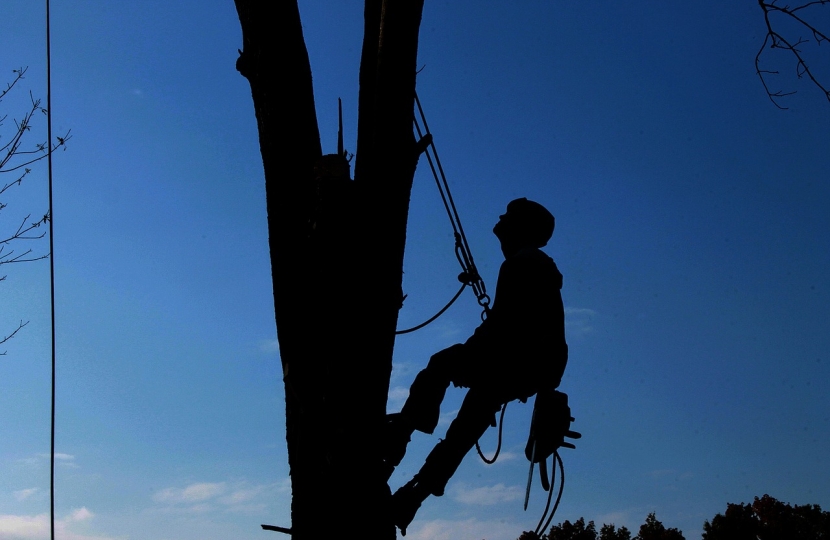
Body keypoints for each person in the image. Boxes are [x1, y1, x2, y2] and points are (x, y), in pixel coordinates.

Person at [384, 198, 569, 535]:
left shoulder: (519, 265)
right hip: (536, 368)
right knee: (469, 422)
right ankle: (415, 496)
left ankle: (399, 438)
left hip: (514, 359)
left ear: (517, 231)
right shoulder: (541, 267)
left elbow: (502, 327)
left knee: (441, 364)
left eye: (505, 227)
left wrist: (469, 358)